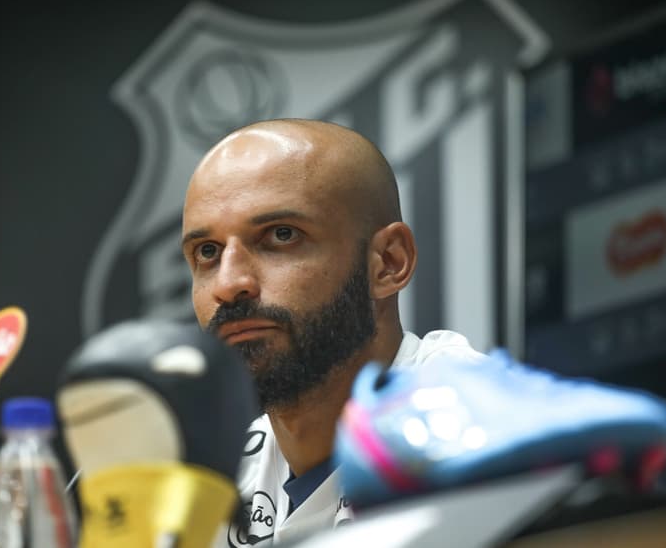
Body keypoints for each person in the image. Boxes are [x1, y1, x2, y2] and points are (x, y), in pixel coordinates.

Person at [181, 118, 485, 545]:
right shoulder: (197, 478)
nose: (229, 284)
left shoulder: (478, 434)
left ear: (388, 263)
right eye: (207, 252)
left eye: (281, 235)